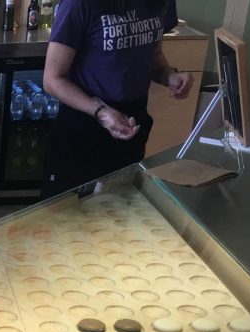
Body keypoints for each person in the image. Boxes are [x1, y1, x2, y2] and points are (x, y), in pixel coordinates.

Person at [41, 0, 194, 197]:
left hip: (133, 123)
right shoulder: (79, 4)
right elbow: (52, 80)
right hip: (84, 125)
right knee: (69, 217)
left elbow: (153, 52)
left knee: (120, 209)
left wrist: (168, 75)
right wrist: (101, 112)